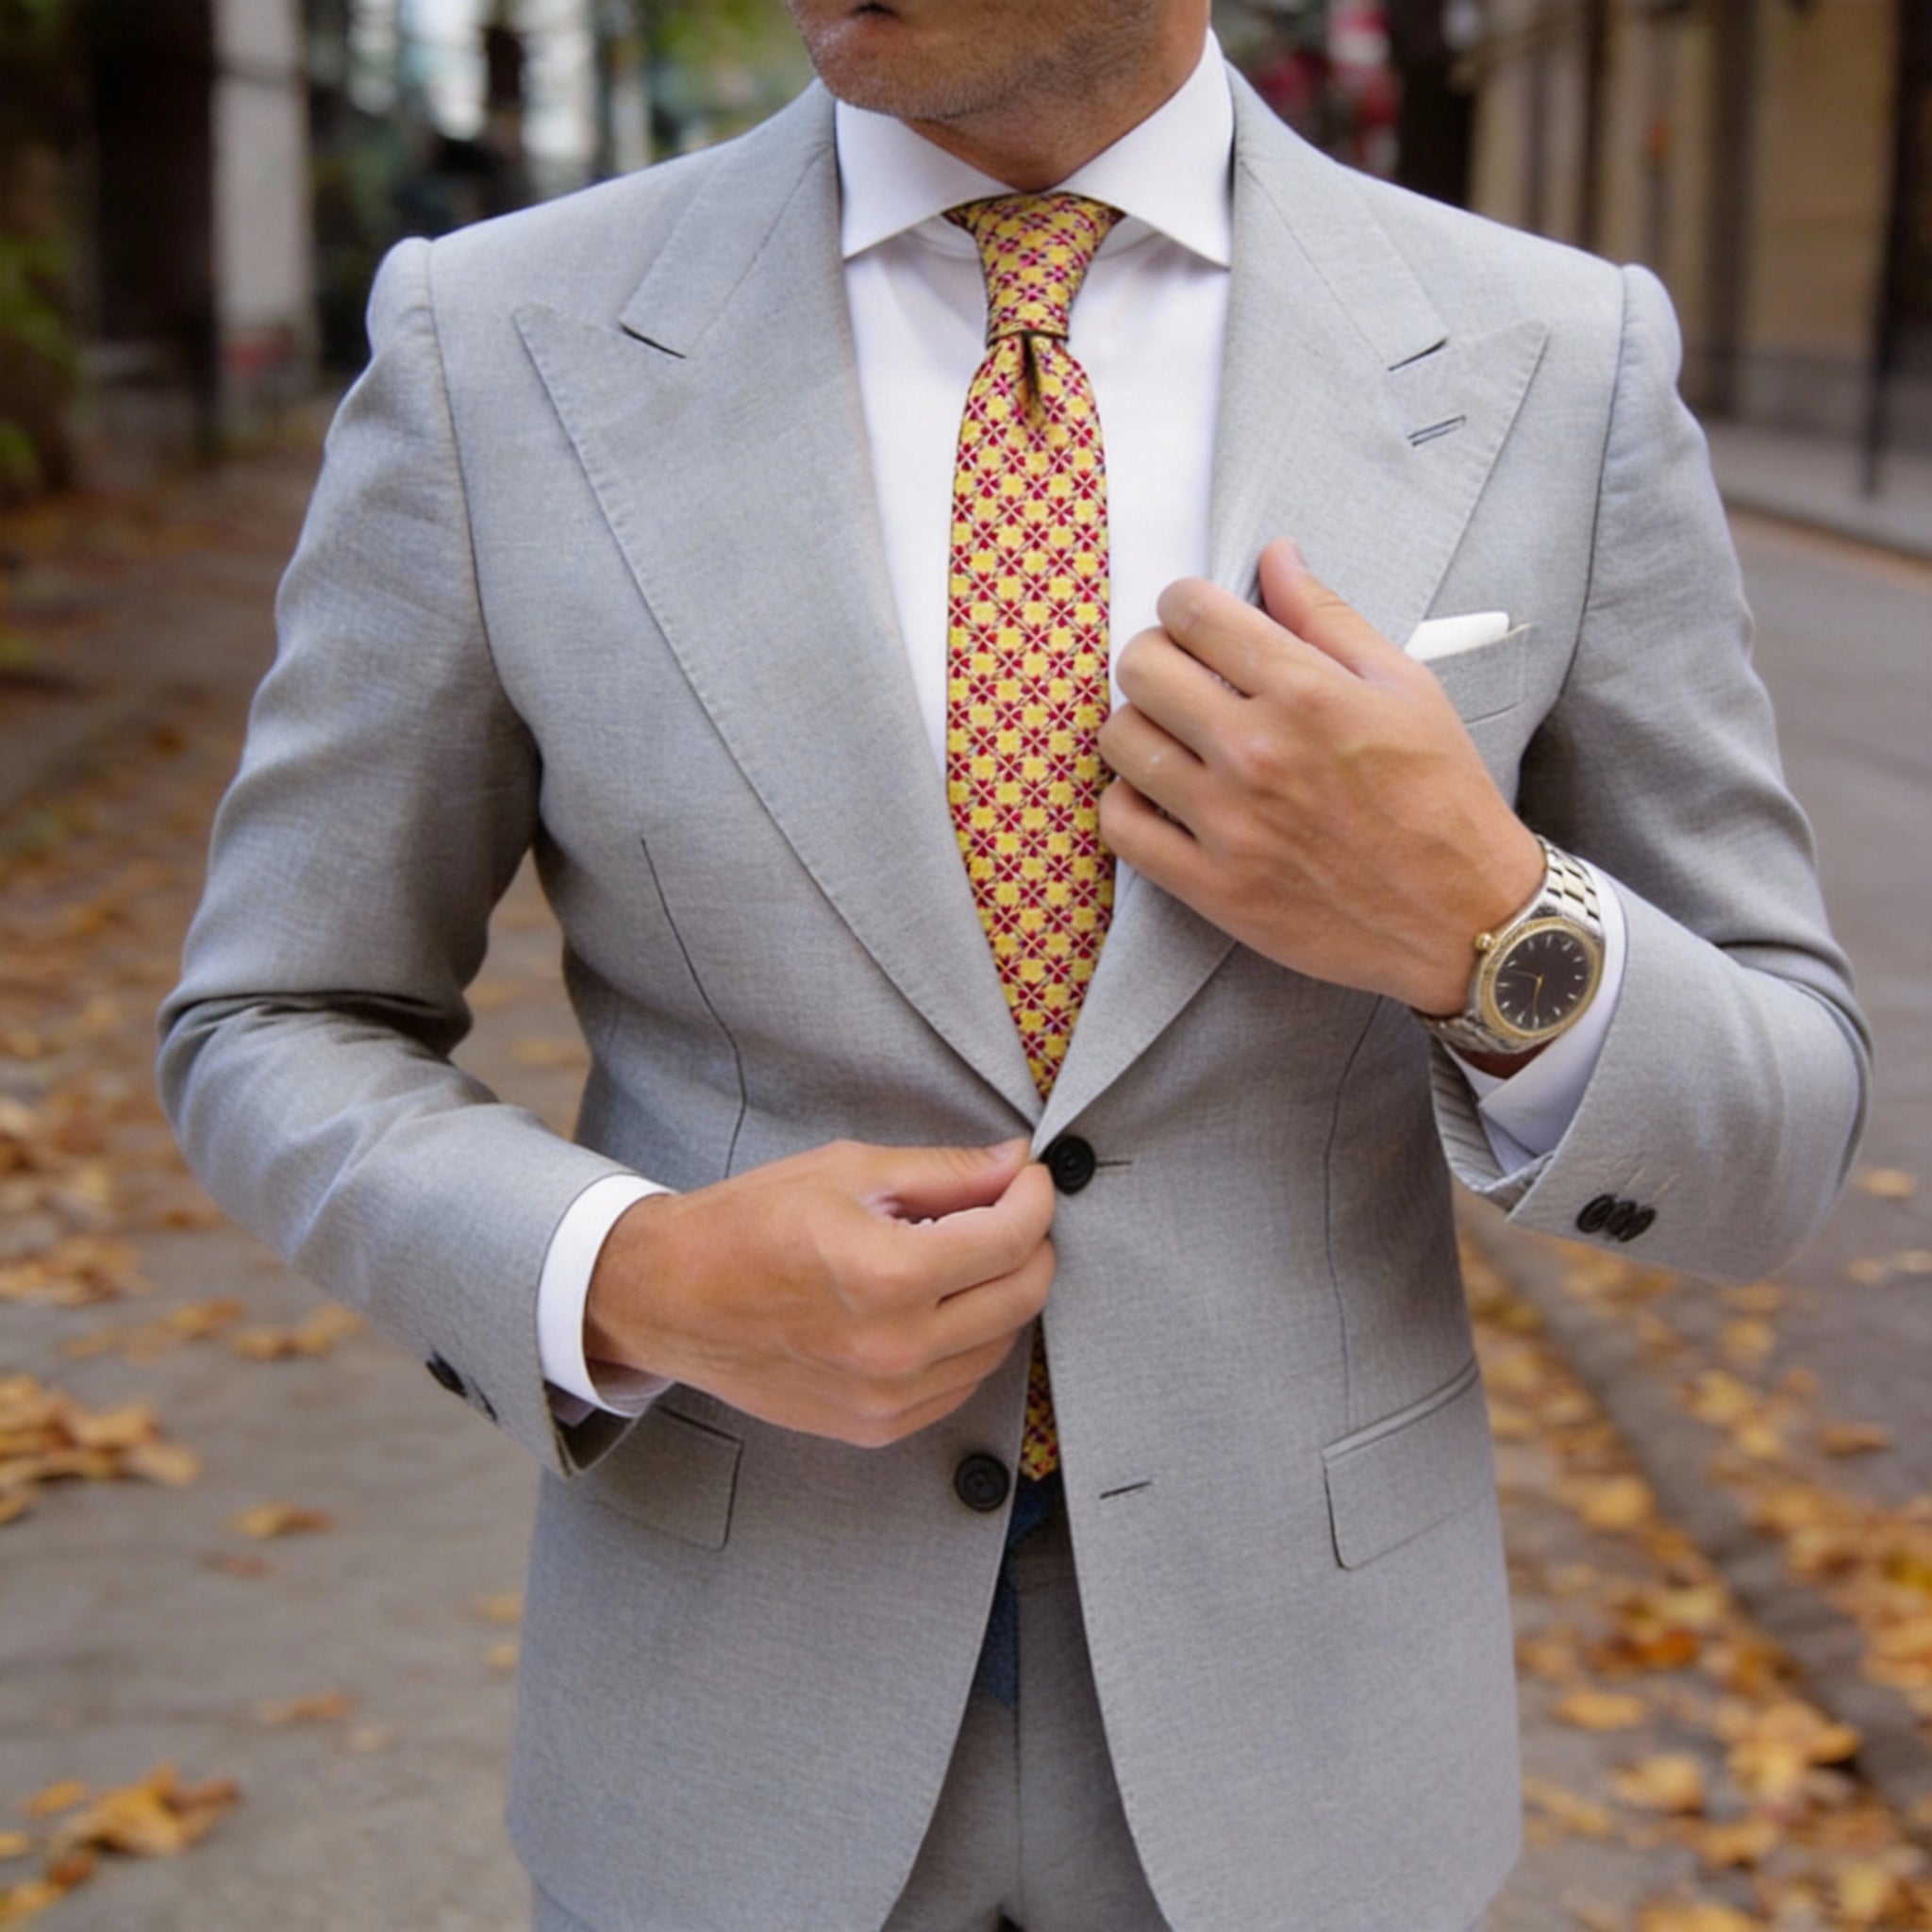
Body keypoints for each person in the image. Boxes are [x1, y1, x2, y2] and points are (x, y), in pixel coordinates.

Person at [158, 2, 1870, 1927]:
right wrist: (623, 1277)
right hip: (727, 1750)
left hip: (1307, 1760)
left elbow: (1780, 1130)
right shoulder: (495, 343)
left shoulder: (1553, 356)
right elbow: (274, 1013)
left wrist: (1487, 925)